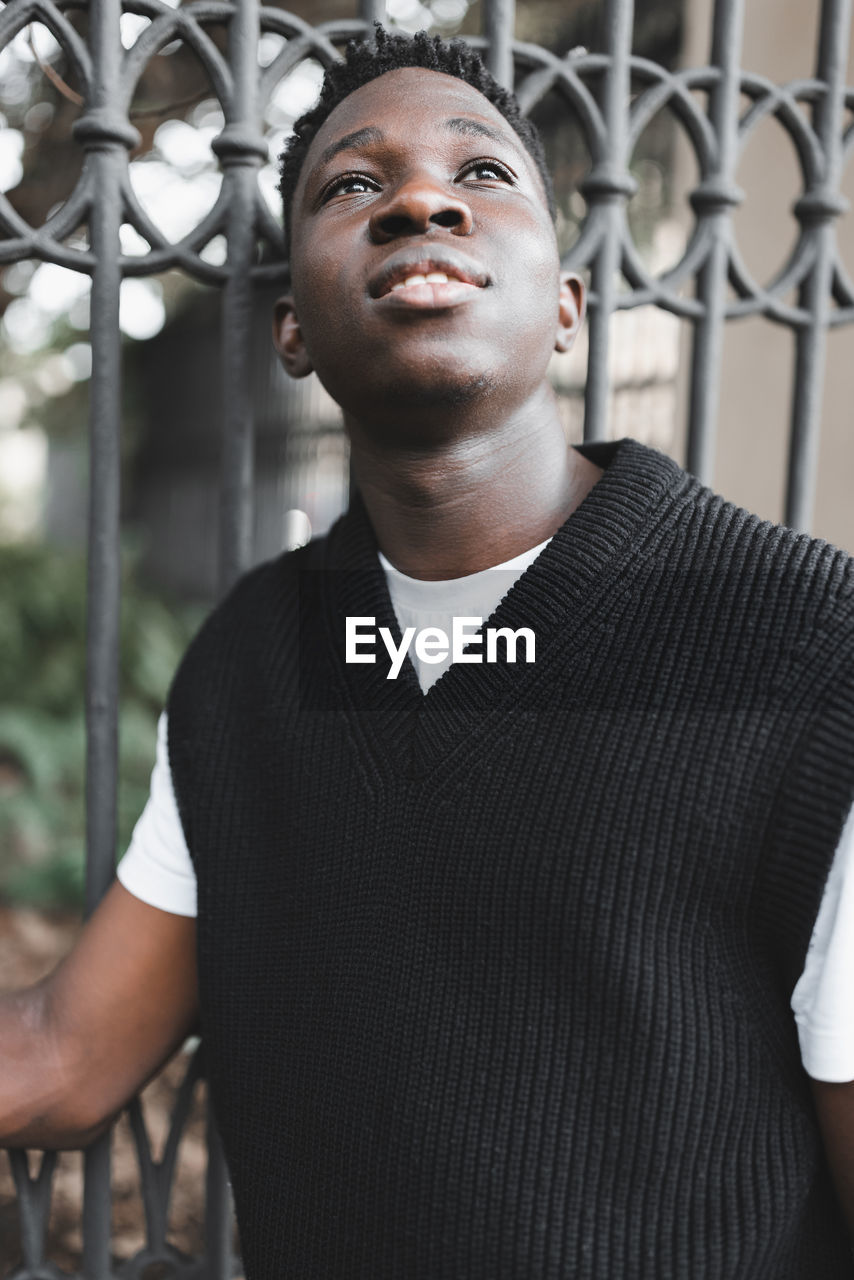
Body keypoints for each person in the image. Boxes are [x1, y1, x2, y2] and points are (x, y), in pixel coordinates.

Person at [2, 25, 854, 1279]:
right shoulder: (252, 664)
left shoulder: (802, 650)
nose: (416, 197)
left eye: (483, 174)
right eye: (353, 184)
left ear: (564, 307)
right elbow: (64, 1061)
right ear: (292, 327)